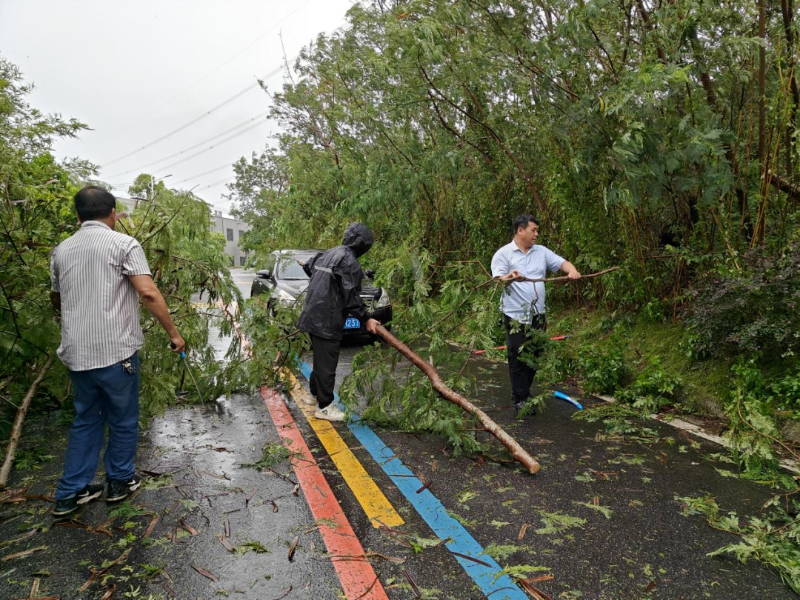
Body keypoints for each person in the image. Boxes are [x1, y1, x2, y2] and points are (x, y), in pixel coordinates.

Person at [50, 186, 185, 517]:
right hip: (116, 352)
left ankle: (70, 492)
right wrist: (174, 333)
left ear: (78, 215)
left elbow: (57, 299)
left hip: (77, 353)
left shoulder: (61, 250)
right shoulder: (124, 243)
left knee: (87, 419)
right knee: (123, 419)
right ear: (113, 214)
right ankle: (119, 482)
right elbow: (148, 293)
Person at [491, 214, 581, 415]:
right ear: (520, 230)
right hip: (514, 314)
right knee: (517, 355)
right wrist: (510, 277)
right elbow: (498, 280)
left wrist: (572, 271)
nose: (536, 234)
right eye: (533, 230)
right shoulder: (503, 254)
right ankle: (520, 398)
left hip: (537, 313)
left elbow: (561, 263)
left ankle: (524, 393)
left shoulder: (541, 252)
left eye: (537, 230)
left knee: (534, 354)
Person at [297, 223, 380, 422]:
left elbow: (311, 267)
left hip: (312, 314)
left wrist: (305, 264)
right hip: (327, 318)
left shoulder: (330, 253)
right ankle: (324, 407)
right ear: (363, 244)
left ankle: (314, 395)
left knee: (320, 359)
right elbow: (351, 295)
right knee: (327, 364)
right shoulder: (349, 262)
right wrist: (366, 318)